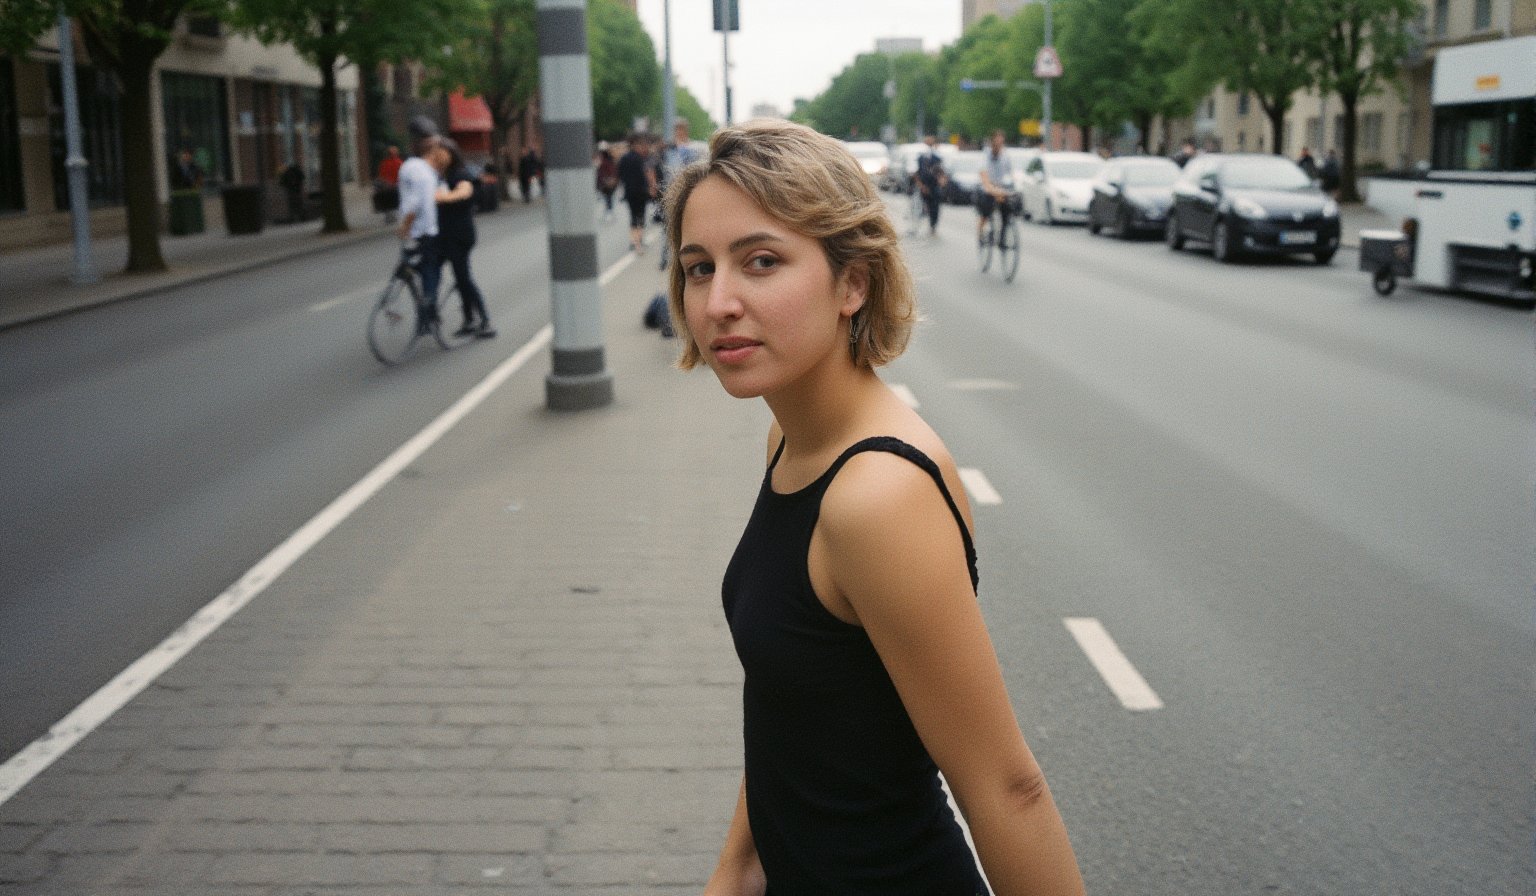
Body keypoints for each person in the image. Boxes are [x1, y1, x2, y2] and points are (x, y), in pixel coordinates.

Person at [664, 119, 1084, 896]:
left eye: (761, 262)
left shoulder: (876, 495)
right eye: (697, 268)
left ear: (852, 282)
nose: (718, 301)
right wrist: (737, 868)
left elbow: (1006, 788)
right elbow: (794, 709)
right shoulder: (793, 443)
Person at [434, 137, 496, 339]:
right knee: (459, 277)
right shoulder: (441, 175)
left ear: (451, 153)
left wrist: (444, 197)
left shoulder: (460, 173)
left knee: (464, 278)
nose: (437, 157)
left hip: (460, 235)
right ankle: (469, 320)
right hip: (448, 234)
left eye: (441, 153)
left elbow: (464, 190)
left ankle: (485, 320)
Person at [396, 117, 445, 328]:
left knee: (419, 270)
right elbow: (416, 203)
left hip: (415, 232)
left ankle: (426, 311)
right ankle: (427, 314)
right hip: (425, 232)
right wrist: (406, 226)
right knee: (431, 273)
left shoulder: (412, 167)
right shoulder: (423, 169)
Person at [617, 133, 657, 254]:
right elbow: (648, 173)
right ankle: (638, 241)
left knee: (633, 216)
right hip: (641, 191)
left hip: (629, 191)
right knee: (640, 216)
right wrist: (652, 187)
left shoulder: (624, 158)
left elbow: (620, 175)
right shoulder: (641, 159)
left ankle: (634, 241)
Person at [975, 128, 1015, 243]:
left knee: (1007, 209)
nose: (999, 145)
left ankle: (1002, 235)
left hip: (1000, 187)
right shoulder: (985, 155)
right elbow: (983, 175)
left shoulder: (1005, 156)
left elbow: (1010, 174)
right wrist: (991, 188)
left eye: (1001, 142)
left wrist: (1011, 186)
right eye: (997, 142)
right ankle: (981, 231)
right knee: (986, 210)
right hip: (987, 187)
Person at [913, 134, 947, 235]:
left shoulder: (937, 157)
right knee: (924, 204)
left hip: (934, 185)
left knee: (935, 206)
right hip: (924, 185)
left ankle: (933, 225)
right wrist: (921, 185)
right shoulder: (920, 158)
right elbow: (917, 172)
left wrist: (941, 181)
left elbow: (941, 171)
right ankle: (922, 221)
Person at [376, 145, 403, 223]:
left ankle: (389, 217)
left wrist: (386, 183)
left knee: (387, 201)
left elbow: (381, 175)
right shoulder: (399, 162)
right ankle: (394, 216)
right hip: (395, 185)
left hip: (387, 186)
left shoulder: (384, 163)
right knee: (396, 201)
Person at [595, 141, 619, 221]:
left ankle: (609, 212)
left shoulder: (605, 161)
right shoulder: (607, 160)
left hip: (607, 182)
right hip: (607, 182)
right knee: (608, 198)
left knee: (608, 198)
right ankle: (609, 212)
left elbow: (608, 171)